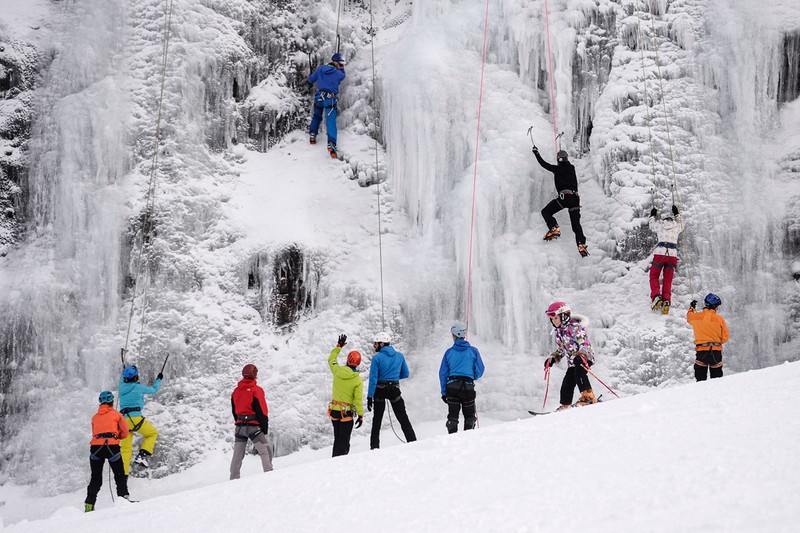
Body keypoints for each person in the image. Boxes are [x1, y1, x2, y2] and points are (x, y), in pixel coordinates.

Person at [532, 146, 589, 257]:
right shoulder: (572, 168)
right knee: (576, 225)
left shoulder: (557, 169)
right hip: (575, 199)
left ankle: (554, 229)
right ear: (567, 159)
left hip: (565, 197)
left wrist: (536, 153)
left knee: (546, 212)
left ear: (558, 159)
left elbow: (544, 164)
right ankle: (581, 244)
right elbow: (564, 166)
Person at [543, 301, 597, 411]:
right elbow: (562, 349)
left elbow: (584, 343)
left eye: (556, 318)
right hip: (573, 361)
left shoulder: (575, 327)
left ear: (564, 316)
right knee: (568, 381)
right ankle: (565, 405)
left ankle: (589, 397)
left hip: (585, 357)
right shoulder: (559, 331)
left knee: (579, 373)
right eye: (552, 319)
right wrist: (553, 358)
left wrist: (581, 356)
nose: (554, 321)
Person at [367, 331, 417, 449]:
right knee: (403, 418)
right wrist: (393, 378)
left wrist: (369, 396)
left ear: (382, 344)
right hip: (394, 389)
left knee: (377, 421)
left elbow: (373, 379)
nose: (374, 346)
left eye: (376, 343)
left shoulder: (377, 358)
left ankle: (374, 447)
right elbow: (406, 374)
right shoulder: (399, 356)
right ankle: (413, 442)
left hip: (380, 390)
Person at [84, 391, 130, 512]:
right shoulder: (117, 415)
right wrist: (117, 437)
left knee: (95, 478)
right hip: (111, 447)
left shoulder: (94, 417)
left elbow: (95, 432)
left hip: (96, 448)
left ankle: (89, 504)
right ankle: (123, 499)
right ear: (112, 402)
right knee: (119, 475)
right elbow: (125, 431)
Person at [438, 323, 485, 433]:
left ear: (454, 336)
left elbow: (443, 374)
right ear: (464, 335)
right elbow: (480, 369)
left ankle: (452, 440)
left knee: (453, 417)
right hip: (468, 387)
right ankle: (467, 441)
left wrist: (444, 392)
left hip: (452, 387)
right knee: (469, 417)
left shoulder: (449, 352)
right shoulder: (473, 351)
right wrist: (472, 377)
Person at [230, 364, 273, 479]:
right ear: (254, 374)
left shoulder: (236, 391)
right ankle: (270, 475)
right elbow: (262, 411)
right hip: (253, 427)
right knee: (266, 451)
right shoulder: (256, 390)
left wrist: (239, 422)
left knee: (237, 456)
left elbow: (234, 410)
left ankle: (233, 479)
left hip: (239, 427)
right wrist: (264, 428)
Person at [118, 365, 162, 475]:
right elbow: (153, 390)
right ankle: (141, 456)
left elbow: (124, 381)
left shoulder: (121, 387)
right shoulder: (138, 388)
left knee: (125, 450)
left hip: (123, 421)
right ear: (136, 377)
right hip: (136, 418)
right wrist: (158, 379)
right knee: (152, 433)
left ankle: (123, 476)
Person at [327, 334, 364, 457]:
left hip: (334, 411)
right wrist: (361, 415)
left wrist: (339, 346)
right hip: (346, 413)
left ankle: (333, 460)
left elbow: (331, 359)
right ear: (358, 363)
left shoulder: (337, 371)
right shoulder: (357, 380)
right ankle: (339, 465)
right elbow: (357, 399)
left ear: (348, 359)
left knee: (337, 439)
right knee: (344, 441)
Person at [308, 52, 346, 158]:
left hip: (319, 97)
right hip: (330, 99)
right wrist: (340, 68)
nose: (342, 66)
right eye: (341, 64)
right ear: (335, 62)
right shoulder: (338, 73)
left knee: (316, 116)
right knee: (330, 121)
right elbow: (343, 76)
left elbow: (310, 79)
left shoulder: (320, 69)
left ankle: (312, 134)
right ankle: (331, 144)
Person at [649, 204, 684, 314]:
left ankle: (656, 296)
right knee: (667, 280)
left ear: (664, 220)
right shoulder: (676, 227)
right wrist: (677, 213)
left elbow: (651, 225)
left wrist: (653, 215)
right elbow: (682, 225)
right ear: (672, 220)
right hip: (672, 255)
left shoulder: (660, 225)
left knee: (654, 275)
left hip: (660, 253)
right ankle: (666, 301)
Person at [687, 293, 729, 381]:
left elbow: (689, 317)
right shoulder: (719, 319)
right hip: (716, 352)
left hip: (701, 351)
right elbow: (725, 337)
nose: (717, 308)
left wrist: (691, 308)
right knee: (717, 379)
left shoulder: (696, 317)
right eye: (717, 306)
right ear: (714, 306)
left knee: (700, 378)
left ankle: (701, 393)